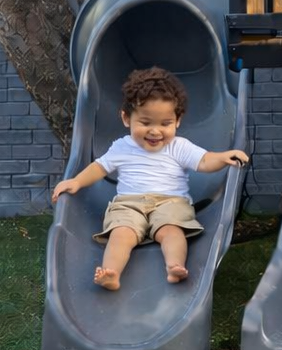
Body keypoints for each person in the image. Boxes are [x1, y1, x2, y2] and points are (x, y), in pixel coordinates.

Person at [51, 67, 249, 291]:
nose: (155, 131)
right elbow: (100, 167)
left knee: (171, 231)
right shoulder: (122, 146)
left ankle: (175, 266)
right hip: (129, 204)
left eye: (165, 123)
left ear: (178, 120)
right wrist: (76, 181)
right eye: (145, 123)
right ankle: (111, 273)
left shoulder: (179, 146)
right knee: (121, 234)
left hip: (170, 202)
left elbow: (204, 161)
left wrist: (224, 157)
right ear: (126, 118)